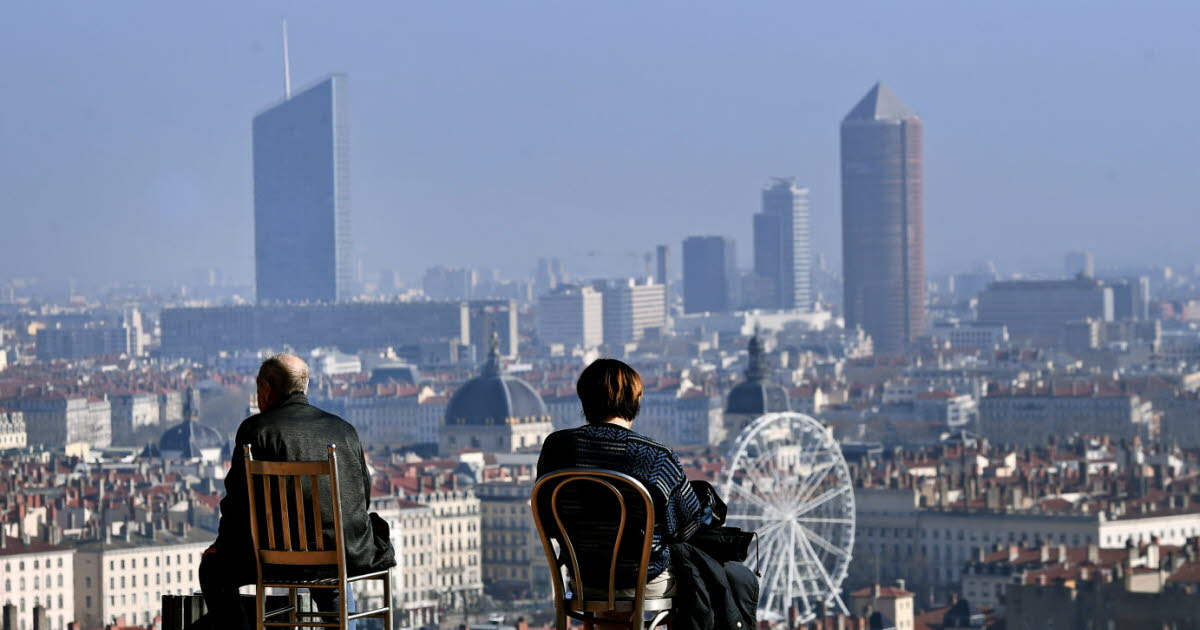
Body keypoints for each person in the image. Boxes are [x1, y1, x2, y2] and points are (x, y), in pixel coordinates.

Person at [536, 359, 757, 630]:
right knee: (699, 578)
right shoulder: (656, 457)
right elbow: (686, 527)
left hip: (584, 578)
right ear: (635, 401)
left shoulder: (556, 448)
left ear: (584, 400)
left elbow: (548, 519)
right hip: (642, 579)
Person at [199, 354, 395, 630]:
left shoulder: (257, 430)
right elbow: (362, 496)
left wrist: (222, 545)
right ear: (304, 386)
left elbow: (238, 502)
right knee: (333, 572)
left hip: (277, 559)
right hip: (345, 553)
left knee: (213, 569)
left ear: (265, 387)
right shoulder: (343, 430)